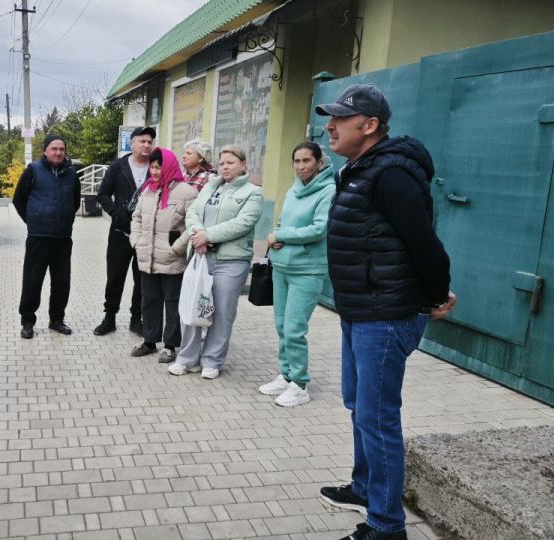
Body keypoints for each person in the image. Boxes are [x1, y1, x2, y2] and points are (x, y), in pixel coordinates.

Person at [314, 84, 456, 540]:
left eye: (339, 119)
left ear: (369, 125)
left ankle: (387, 525)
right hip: (360, 308)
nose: (329, 126)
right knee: (359, 406)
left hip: (387, 311)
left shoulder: (391, 173)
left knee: (377, 416)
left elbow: (424, 241)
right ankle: (365, 486)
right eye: (329, 118)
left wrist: (436, 295)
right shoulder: (358, 170)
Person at [168, 145, 263, 379]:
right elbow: (192, 214)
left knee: (222, 312)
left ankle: (212, 360)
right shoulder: (210, 186)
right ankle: (188, 359)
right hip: (201, 257)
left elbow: (244, 223)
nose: (225, 167)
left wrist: (208, 235)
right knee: (192, 307)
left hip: (231, 261)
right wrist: (198, 234)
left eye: (231, 162)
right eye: (222, 163)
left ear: (243, 165)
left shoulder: (253, 192)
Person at [258, 141, 335, 407]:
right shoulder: (294, 189)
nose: (301, 166)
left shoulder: (328, 190)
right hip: (282, 267)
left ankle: (300, 384)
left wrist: (281, 235)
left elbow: (319, 229)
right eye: (297, 161)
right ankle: (287, 375)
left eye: (307, 161)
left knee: (294, 329)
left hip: (307, 270)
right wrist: (275, 236)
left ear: (319, 162)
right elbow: (282, 222)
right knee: (281, 326)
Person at [129, 147, 198, 362]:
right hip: (147, 256)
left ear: (169, 166)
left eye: (159, 166)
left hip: (172, 257)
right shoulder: (148, 190)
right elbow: (137, 218)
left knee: (172, 301)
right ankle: (150, 341)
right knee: (149, 300)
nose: (155, 171)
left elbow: (193, 225)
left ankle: (170, 345)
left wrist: (177, 247)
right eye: (153, 166)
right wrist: (137, 241)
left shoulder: (187, 192)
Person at [12, 134, 81, 339]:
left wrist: (65, 218)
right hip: (38, 238)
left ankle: (57, 320)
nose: (58, 152)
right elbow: (18, 200)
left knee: (61, 282)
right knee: (32, 281)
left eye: (61, 149)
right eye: (54, 149)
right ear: (45, 150)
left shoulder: (71, 174)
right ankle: (27, 322)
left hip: (62, 239)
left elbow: (75, 201)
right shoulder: (33, 170)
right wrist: (33, 220)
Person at [93, 126, 156, 336]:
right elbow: (102, 194)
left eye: (150, 141)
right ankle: (109, 317)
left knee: (142, 279)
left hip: (146, 235)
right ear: (132, 143)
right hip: (120, 232)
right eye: (142, 141)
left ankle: (136, 319)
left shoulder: (156, 167)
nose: (146, 145)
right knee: (115, 277)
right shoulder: (118, 166)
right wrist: (116, 213)